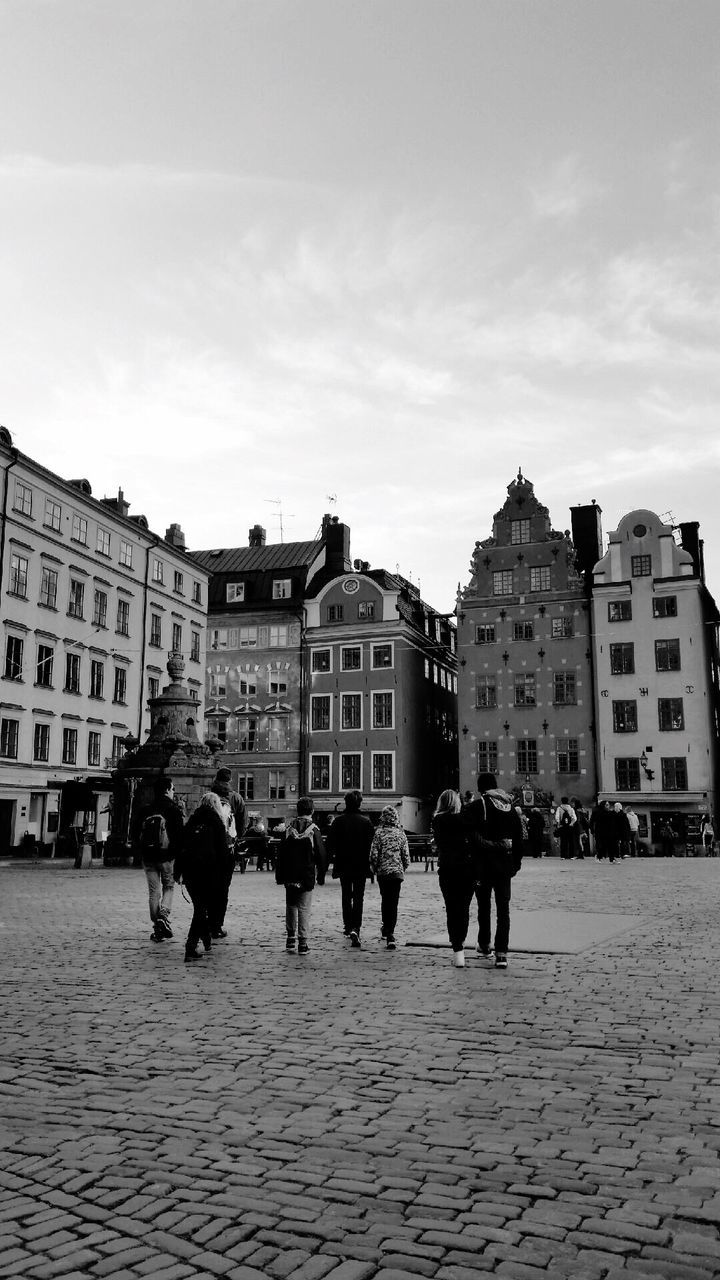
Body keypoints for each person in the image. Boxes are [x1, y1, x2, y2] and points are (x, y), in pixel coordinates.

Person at [464, 772, 524, 970]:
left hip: (483, 866)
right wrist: (515, 864)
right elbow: (519, 839)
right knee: (503, 910)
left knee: (484, 906)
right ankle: (502, 953)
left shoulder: (478, 806)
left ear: (481, 788)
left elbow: (469, 834)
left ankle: (484, 944)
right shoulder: (510, 808)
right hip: (505, 867)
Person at [176, 792, 230, 962]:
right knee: (201, 910)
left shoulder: (192, 821)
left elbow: (181, 847)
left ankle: (205, 937)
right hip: (209, 872)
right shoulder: (217, 823)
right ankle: (190, 946)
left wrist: (178, 872)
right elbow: (223, 852)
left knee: (200, 906)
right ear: (216, 805)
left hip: (190, 872)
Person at [135, 776, 184, 942]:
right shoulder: (174, 810)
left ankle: (157, 925)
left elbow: (135, 833)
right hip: (166, 857)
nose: (173, 792)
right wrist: (177, 856)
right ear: (167, 790)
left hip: (148, 857)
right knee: (169, 887)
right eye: (172, 789)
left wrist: (141, 851)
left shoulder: (145, 809)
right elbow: (178, 837)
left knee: (153, 892)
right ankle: (163, 916)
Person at [275, 797, 327, 954]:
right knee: (304, 907)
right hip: (306, 874)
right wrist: (321, 873)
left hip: (290, 874)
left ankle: (290, 939)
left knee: (291, 905)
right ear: (312, 811)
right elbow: (321, 854)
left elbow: (281, 854)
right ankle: (303, 943)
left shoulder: (289, 829)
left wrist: (280, 875)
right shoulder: (313, 830)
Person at [326, 790, 375, 948]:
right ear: (360, 803)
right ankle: (356, 927)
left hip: (344, 864)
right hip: (360, 865)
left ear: (346, 803)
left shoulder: (338, 822)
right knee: (359, 896)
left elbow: (330, 846)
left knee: (346, 895)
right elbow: (371, 846)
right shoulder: (366, 822)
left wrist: (322, 870)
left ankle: (348, 926)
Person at [432, 790, 474, 967]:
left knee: (451, 909)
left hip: (447, 868)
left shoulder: (438, 820)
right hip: (466, 869)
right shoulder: (464, 819)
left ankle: (457, 950)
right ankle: (461, 942)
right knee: (464, 909)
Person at [208, 769, 246, 938]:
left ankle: (206, 920)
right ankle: (217, 925)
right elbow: (242, 825)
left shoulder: (208, 796)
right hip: (227, 849)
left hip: (209, 850)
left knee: (209, 887)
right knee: (223, 889)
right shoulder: (236, 798)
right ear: (230, 780)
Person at [369, 806, 410, 950]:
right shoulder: (400, 833)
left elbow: (373, 854)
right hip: (397, 873)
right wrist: (402, 868)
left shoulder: (379, 833)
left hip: (383, 873)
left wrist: (375, 867)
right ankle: (391, 932)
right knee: (394, 902)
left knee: (385, 900)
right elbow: (406, 856)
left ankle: (386, 929)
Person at [554, 796, 577, 860]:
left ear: (562, 801)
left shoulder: (559, 808)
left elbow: (557, 817)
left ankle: (563, 855)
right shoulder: (571, 809)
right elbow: (575, 818)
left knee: (563, 841)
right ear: (567, 801)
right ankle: (571, 855)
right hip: (570, 827)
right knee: (571, 841)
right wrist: (571, 823)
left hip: (563, 827)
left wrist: (559, 824)